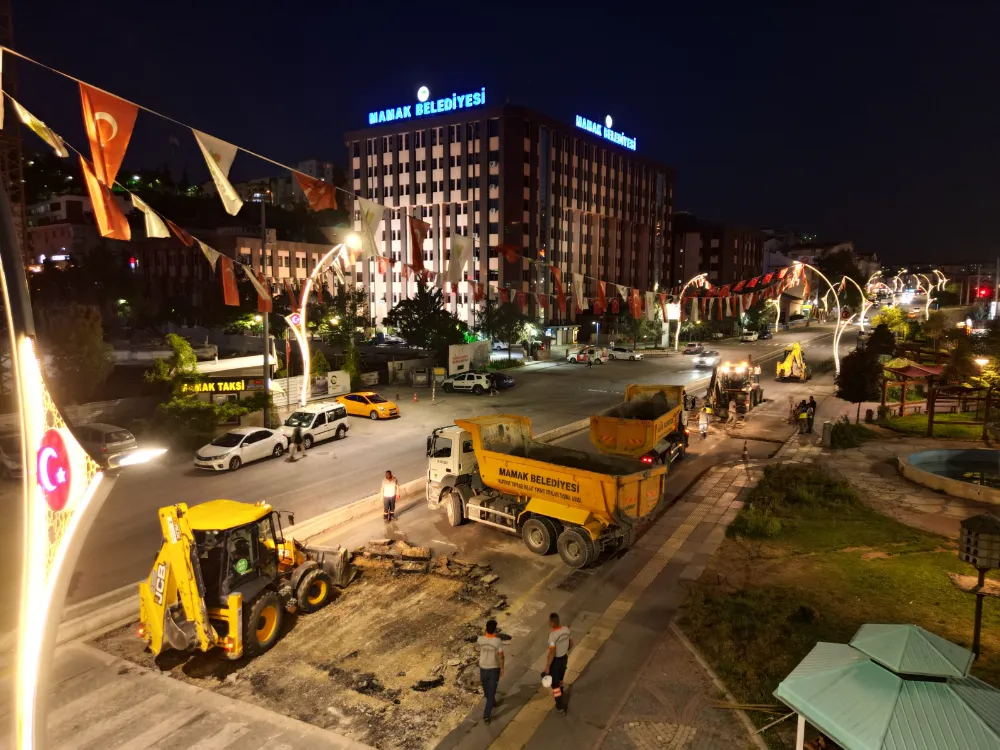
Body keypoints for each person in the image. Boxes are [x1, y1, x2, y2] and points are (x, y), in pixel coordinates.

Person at [543, 612, 573, 715]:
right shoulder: (566, 630)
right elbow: (571, 643)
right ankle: (562, 691)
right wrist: (565, 650)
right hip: (564, 658)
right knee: (560, 679)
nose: (548, 623)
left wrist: (547, 666)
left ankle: (560, 706)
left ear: (552, 622)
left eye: (549, 621)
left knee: (555, 685)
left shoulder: (552, 636)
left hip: (556, 661)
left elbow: (552, 653)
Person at [477, 619, 504, 725]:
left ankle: (486, 715)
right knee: (488, 692)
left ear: (486, 629)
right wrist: (502, 668)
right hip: (492, 669)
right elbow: (501, 656)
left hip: (485, 668)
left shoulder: (480, 640)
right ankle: (492, 701)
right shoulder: (498, 642)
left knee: (489, 691)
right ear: (495, 630)